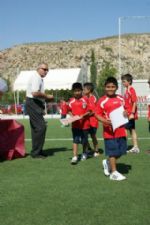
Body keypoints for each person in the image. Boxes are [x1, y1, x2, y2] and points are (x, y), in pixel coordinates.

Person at [95, 77, 127, 181]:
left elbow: (126, 110)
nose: (110, 89)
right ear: (105, 87)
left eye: (113, 86)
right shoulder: (101, 100)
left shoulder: (121, 99)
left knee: (121, 151)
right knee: (112, 152)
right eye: (108, 87)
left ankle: (108, 162)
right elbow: (97, 114)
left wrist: (126, 113)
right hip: (109, 131)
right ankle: (113, 172)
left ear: (117, 87)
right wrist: (104, 121)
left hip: (121, 130)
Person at [26, 63, 53, 159]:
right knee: (41, 127)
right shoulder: (36, 77)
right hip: (33, 102)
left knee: (36, 128)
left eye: (47, 70)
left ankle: (37, 151)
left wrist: (43, 103)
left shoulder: (38, 77)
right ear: (38, 69)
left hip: (34, 103)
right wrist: (47, 96)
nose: (46, 71)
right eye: (44, 69)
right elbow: (35, 93)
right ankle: (36, 152)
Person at [68, 82, 90, 164]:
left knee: (84, 140)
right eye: (75, 91)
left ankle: (84, 153)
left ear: (82, 91)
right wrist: (72, 116)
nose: (77, 92)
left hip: (85, 124)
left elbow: (89, 111)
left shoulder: (86, 99)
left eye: (79, 91)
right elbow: (69, 110)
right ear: (73, 91)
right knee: (75, 140)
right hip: (75, 125)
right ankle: (75, 156)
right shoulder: (71, 101)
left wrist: (82, 115)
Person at [121, 74, 140, 153]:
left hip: (130, 114)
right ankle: (135, 147)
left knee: (125, 129)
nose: (123, 83)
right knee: (132, 130)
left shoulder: (131, 89)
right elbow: (128, 102)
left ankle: (123, 147)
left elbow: (135, 101)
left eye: (124, 81)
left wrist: (132, 113)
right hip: (127, 114)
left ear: (129, 81)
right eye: (122, 81)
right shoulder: (127, 90)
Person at [83, 82, 99, 157]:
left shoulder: (93, 98)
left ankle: (96, 150)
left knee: (93, 136)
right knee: (84, 136)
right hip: (86, 121)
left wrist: (83, 115)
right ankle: (89, 149)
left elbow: (93, 111)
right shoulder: (84, 98)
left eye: (84, 89)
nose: (83, 90)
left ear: (89, 90)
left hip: (93, 121)